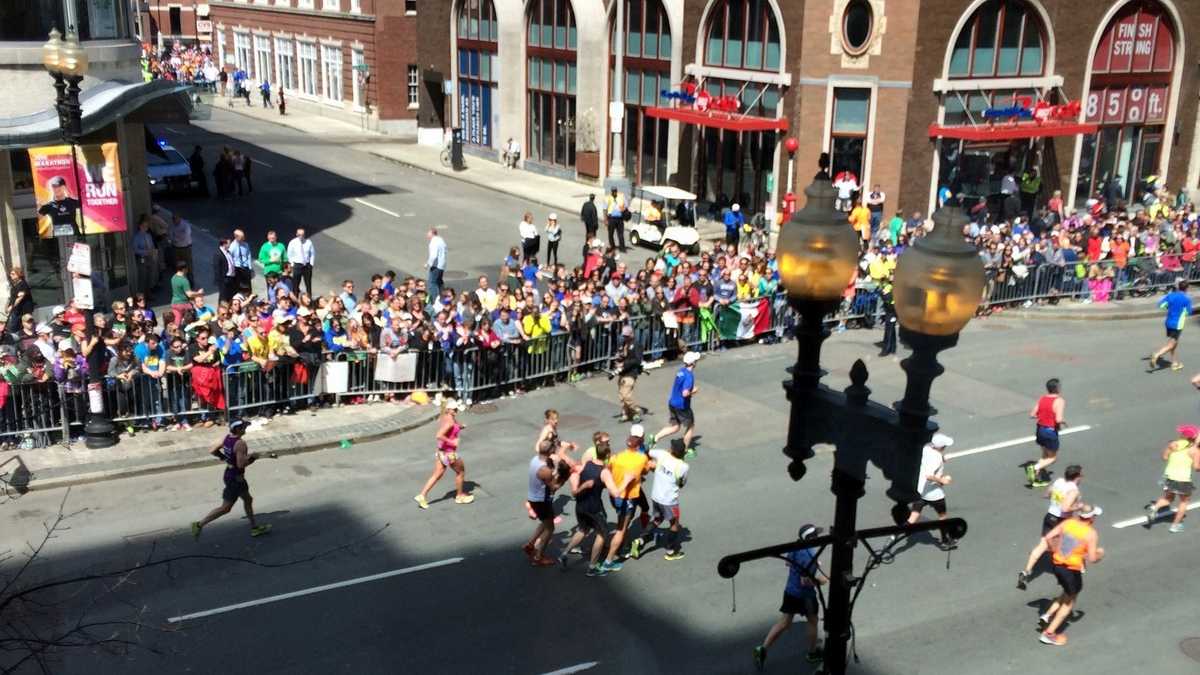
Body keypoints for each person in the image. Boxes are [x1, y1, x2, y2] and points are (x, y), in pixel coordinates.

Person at [1016, 505, 1104, 646]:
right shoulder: (1090, 533)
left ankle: (1047, 615)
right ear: (1091, 518)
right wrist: (1100, 553)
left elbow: (1049, 536)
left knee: (1068, 592)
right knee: (1070, 601)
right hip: (1070, 569)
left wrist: (1056, 549)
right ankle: (1049, 634)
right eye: (1095, 516)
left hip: (1057, 565)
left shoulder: (1068, 523)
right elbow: (1093, 559)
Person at [752, 523, 828, 670]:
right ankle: (812, 653)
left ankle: (762, 649)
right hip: (805, 596)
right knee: (813, 621)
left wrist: (803, 565)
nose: (818, 537)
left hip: (790, 591)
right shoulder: (811, 556)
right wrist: (824, 580)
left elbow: (788, 563)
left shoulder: (796, 546)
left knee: (784, 623)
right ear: (811, 538)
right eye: (816, 535)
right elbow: (806, 581)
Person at [190, 419, 273, 539]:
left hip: (230, 475)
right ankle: (199, 524)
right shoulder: (240, 444)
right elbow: (241, 464)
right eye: (244, 427)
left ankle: (255, 528)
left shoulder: (227, 438)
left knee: (248, 499)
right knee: (226, 508)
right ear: (238, 429)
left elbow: (212, 450)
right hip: (236, 479)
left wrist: (225, 459)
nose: (245, 429)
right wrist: (253, 458)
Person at [558, 440, 631, 575]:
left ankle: (564, 554)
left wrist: (565, 449)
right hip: (594, 508)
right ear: (608, 455)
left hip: (580, 505)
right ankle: (592, 567)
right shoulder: (604, 473)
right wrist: (626, 480)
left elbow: (570, 463)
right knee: (602, 534)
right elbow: (615, 493)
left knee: (583, 529)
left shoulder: (587, 463)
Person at [602, 434, 655, 572]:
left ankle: (622, 546)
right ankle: (609, 559)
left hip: (614, 496)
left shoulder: (616, 457)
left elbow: (608, 469)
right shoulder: (642, 458)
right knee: (622, 529)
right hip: (628, 498)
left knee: (622, 522)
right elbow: (646, 471)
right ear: (638, 446)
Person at [634, 438, 690, 561]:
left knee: (658, 519)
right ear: (682, 453)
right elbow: (681, 484)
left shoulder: (662, 454)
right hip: (670, 501)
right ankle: (670, 551)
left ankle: (641, 540)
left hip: (656, 496)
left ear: (671, 450)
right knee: (674, 524)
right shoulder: (683, 466)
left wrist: (652, 466)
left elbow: (647, 451)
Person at [414, 399, 475, 509]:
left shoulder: (446, 417)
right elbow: (439, 435)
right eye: (454, 409)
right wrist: (452, 441)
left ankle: (422, 495)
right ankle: (460, 496)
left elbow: (450, 427)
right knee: (461, 472)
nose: (456, 410)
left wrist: (460, 426)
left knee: (436, 475)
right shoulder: (450, 421)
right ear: (448, 409)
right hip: (449, 454)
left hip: (441, 453)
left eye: (457, 408)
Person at [905, 432, 957, 549]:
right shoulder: (937, 459)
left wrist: (943, 458)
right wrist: (942, 480)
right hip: (934, 494)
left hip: (920, 491)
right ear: (942, 446)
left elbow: (928, 462)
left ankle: (896, 534)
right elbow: (929, 475)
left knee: (913, 517)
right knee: (942, 516)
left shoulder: (927, 448)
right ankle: (945, 541)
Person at [1145, 424, 1200, 533]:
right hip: (1182, 480)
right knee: (1184, 502)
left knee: (1168, 498)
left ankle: (1155, 508)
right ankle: (1175, 525)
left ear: (1183, 435)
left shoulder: (1173, 444)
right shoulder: (1195, 451)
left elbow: (1165, 457)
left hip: (1169, 477)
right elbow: (1196, 467)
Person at [524, 438, 570, 567]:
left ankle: (530, 544)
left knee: (545, 522)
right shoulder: (545, 470)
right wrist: (564, 478)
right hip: (541, 501)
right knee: (550, 528)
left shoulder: (535, 460)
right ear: (549, 450)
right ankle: (539, 557)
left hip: (533, 498)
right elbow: (553, 487)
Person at [655, 351, 700, 458]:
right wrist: (693, 391)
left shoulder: (681, 371)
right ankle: (684, 450)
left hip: (672, 402)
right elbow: (685, 393)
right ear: (693, 363)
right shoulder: (689, 376)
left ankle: (656, 437)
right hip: (682, 406)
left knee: (675, 426)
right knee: (690, 426)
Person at [1026, 378, 1066, 488]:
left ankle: (1037, 476)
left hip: (1040, 430)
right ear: (1057, 388)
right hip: (1050, 432)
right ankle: (1035, 468)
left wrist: (1044, 415)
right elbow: (1058, 419)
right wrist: (1064, 421)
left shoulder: (1042, 398)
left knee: (1044, 454)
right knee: (1052, 458)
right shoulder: (1059, 401)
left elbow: (1032, 414)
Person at [1150, 280, 1192, 371]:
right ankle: (1156, 355)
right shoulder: (1187, 299)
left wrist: (1170, 308)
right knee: (1171, 345)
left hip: (1168, 322)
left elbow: (1161, 305)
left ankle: (1174, 363)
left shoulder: (1171, 295)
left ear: (1179, 287)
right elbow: (1188, 312)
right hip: (1177, 325)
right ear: (1187, 288)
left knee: (1174, 343)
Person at [1044, 464, 1083, 535]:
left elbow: (1047, 494)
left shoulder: (1059, 481)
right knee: (1062, 545)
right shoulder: (1073, 490)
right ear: (1077, 477)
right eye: (1081, 475)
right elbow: (1064, 509)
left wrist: (1057, 500)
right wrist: (1078, 507)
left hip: (1049, 516)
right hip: (1061, 520)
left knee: (1044, 543)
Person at [615, 325, 643, 422]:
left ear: (632, 334)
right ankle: (626, 414)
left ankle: (636, 411)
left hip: (631, 372)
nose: (625, 337)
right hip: (622, 372)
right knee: (621, 395)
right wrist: (619, 357)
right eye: (624, 336)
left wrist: (624, 363)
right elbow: (622, 355)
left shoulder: (636, 344)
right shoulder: (623, 343)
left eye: (627, 336)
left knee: (626, 395)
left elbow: (637, 360)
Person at [4, 267, 34, 336]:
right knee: (14, 328)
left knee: (17, 328)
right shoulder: (14, 285)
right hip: (16, 311)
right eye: (10, 274)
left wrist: (11, 307)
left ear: (19, 274)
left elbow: (20, 298)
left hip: (23, 311)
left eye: (13, 274)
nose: (11, 275)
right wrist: (6, 306)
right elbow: (11, 297)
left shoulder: (23, 284)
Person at [287, 228, 315, 297]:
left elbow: (312, 253)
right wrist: (292, 264)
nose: (301, 236)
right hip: (297, 265)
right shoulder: (293, 242)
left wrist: (311, 264)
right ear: (296, 234)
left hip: (307, 265)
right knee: (296, 284)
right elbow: (289, 254)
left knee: (308, 284)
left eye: (302, 235)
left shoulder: (308, 242)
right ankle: (295, 300)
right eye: (299, 235)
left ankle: (309, 298)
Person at [169, 214, 194, 284]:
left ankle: (190, 282)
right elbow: (171, 236)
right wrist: (177, 239)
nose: (174, 221)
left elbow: (186, 236)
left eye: (175, 219)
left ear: (179, 218)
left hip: (186, 248)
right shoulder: (172, 226)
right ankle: (179, 282)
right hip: (176, 248)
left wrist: (176, 238)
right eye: (173, 219)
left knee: (188, 266)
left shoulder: (186, 225)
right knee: (177, 265)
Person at [212, 238, 237, 303]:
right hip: (224, 278)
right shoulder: (218, 254)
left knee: (230, 295)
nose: (230, 245)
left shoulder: (228, 252)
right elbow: (217, 268)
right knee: (223, 296)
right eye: (229, 243)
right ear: (224, 244)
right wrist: (220, 280)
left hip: (231, 277)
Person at [426, 228, 447, 300]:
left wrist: (428, 263)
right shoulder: (441, 240)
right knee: (439, 282)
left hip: (436, 265)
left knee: (432, 283)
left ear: (432, 233)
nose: (427, 234)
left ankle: (434, 300)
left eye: (428, 233)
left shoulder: (433, 242)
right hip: (442, 265)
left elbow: (434, 255)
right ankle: (443, 298)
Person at [231, 229, 254, 295]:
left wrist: (249, 267)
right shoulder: (233, 246)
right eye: (242, 237)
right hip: (237, 268)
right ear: (236, 237)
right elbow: (230, 257)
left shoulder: (246, 245)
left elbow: (248, 255)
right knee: (238, 286)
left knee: (248, 287)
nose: (244, 238)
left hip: (245, 267)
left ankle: (249, 298)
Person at [605, 187, 627, 251]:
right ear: (611, 191)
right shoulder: (608, 198)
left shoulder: (621, 197)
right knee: (610, 233)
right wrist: (606, 220)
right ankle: (612, 246)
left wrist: (622, 209)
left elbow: (626, 206)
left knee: (620, 234)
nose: (614, 192)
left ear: (616, 191)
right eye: (613, 191)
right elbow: (605, 209)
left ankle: (622, 248)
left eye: (615, 191)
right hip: (611, 218)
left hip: (620, 218)